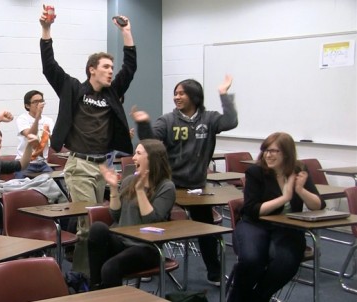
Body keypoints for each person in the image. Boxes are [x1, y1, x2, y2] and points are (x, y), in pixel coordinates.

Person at [39, 6, 137, 274]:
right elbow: (50, 66)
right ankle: (85, 280)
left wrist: (127, 32)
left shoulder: (112, 94)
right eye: (106, 67)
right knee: (86, 224)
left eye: (111, 67)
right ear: (92, 69)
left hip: (104, 167)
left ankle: (90, 274)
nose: (110, 71)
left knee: (96, 225)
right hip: (80, 166)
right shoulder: (73, 88)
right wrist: (46, 29)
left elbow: (130, 68)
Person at [132, 75, 237, 286]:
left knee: (206, 229)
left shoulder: (209, 119)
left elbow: (231, 121)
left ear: (194, 96)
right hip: (169, 184)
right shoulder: (168, 120)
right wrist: (143, 124)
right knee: (155, 224)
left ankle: (214, 272)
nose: (177, 97)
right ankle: (145, 264)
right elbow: (150, 141)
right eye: (175, 93)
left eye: (182, 93)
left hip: (196, 187)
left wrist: (224, 94)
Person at [228, 132, 325, 302]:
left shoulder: (298, 170)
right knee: (252, 259)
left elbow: (318, 205)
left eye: (274, 151)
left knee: (285, 262)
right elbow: (252, 210)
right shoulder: (255, 172)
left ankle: (258, 298)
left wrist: (301, 190)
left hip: (287, 228)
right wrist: (285, 198)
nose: (268, 155)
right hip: (255, 225)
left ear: (287, 153)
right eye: (266, 150)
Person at [88, 139, 175, 289]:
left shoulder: (166, 187)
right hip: (122, 242)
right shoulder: (129, 181)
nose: (133, 157)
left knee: (110, 269)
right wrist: (114, 188)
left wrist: (140, 191)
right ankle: (95, 289)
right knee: (97, 228)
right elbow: (116, 216)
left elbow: (151, 220)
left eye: (138, 153)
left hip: (147, 247)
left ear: (152, 159)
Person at [14, 90, 55, 179]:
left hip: (42, 163)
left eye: (41, 101)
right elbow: (30, 135)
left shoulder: (49, 121)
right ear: (27, 105)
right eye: (35, 102)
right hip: (25, 163)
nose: (39, 104)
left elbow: (54, 140)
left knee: (57, 184)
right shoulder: (22, 118)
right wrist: (37, 116)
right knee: (21, 186)